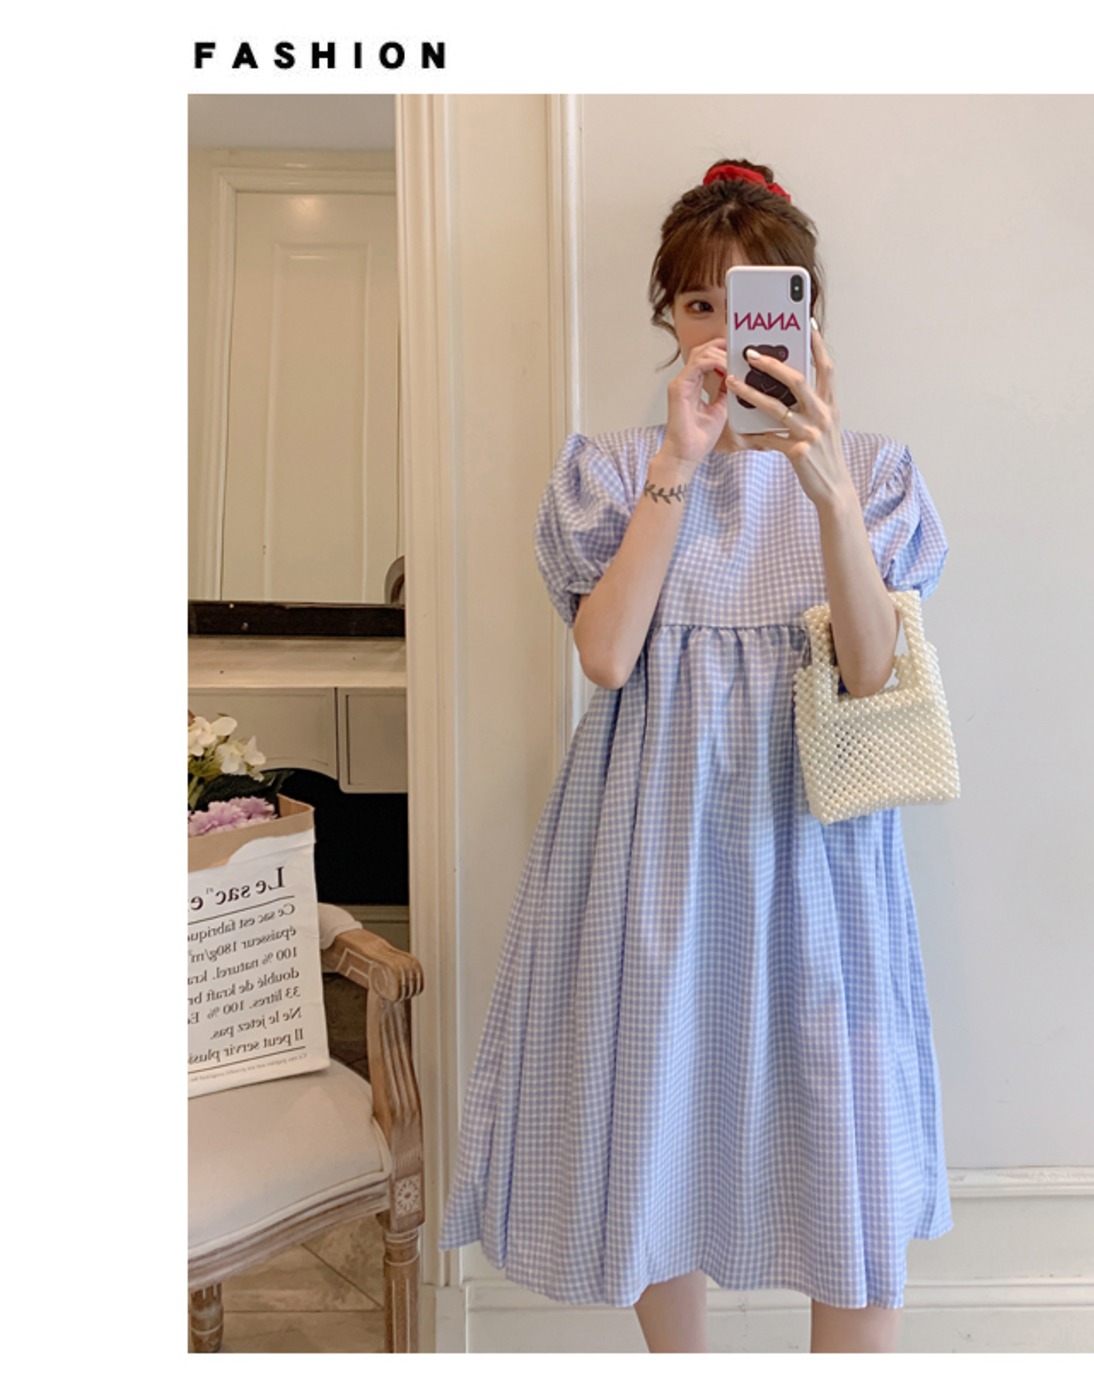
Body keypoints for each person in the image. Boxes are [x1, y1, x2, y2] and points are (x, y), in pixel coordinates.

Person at [437, 158, 953, 1354]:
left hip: (818, 850)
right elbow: (605, 655)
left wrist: (823, 484)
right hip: (654, 844)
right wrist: (679, 457)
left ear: (804, 313)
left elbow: (868, 669)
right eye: (696, 303)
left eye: (753, 301)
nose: (723, 330)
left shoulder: (873, 475)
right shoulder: (616, 472)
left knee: (844, 1135)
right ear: (667, 316)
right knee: (658, 1117)